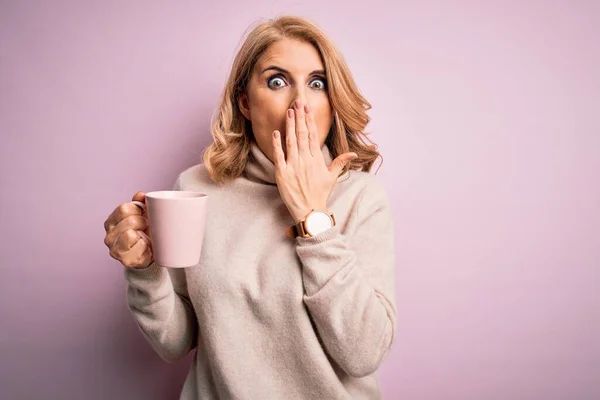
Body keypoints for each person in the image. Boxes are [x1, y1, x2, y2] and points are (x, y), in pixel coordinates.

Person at [103, 15, 397, 400]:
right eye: (277, 82)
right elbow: (175, 343)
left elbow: (364, 353)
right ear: (244, 101)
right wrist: (144, 271)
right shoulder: (195, 190)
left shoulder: (361, 196)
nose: (300, 103)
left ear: (332, 98)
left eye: (317, 83)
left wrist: (314, 218)